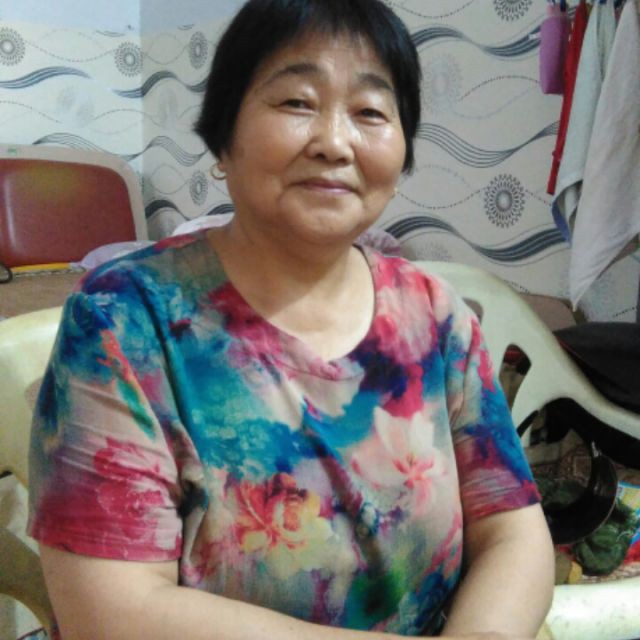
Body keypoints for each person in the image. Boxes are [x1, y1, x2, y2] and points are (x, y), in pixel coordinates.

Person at [28, 1, 555, 638]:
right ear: (223, 137)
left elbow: (512, 530)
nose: (335, 143)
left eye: (370, 112)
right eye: (296, 102)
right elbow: (114, 614)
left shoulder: (435, 316)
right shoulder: (123, 322)